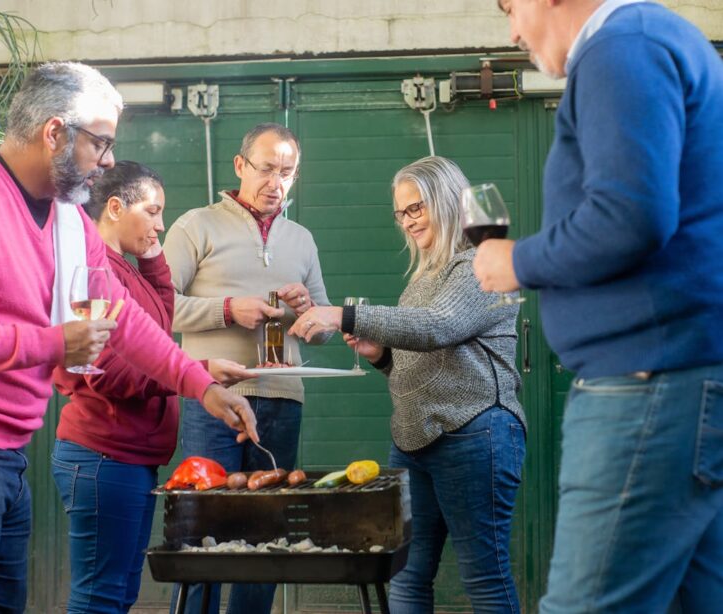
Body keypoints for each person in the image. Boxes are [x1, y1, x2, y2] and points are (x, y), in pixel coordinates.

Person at [0, 62, 257, 614]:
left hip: (8, 455)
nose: (108, 161)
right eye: (101, 143)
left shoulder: (71, 220)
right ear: (55, 132)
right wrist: (51, 344)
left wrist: (199, 382)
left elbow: (126, 319)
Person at [474, 1, 723, 612]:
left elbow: (629, 216)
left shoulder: (620, 47)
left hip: (645, 386)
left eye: (510, 7)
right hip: (683, 381)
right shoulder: (661, 39)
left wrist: (517, 262)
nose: (512, 29)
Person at [289, 156, 527, 614]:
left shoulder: (481, 262)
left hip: (476, 434)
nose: (408, 221)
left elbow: (440, 326)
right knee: (406, 575)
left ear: (447, 201)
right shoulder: (421, 280)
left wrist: (344, 314)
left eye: (416, 208)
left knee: (485, 578)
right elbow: (425, 363)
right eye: (402, 213)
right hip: (417, 439)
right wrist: (383, 358)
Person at [51, 161, 256, 613]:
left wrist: (149, 252)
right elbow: (110, 371)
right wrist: (200, 373)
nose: (161, 224)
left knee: (119, 593)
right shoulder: (92, 272)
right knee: (100, 596)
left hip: (130, 459)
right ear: (116, 207)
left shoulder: (125, 270)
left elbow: (161, 322)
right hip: (102, 457)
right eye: (153, 211)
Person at [163, 122, 332, 614]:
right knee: (203, 531)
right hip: (211, 398)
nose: (275, 182)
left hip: (283, 399)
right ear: (240, 166)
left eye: (287, 172)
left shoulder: (302, 239)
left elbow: (323, 328)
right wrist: (227, 309)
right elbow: (160, 308)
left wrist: (307, 312)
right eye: (266, 169)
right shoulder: (195, 225)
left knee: (268, 538)